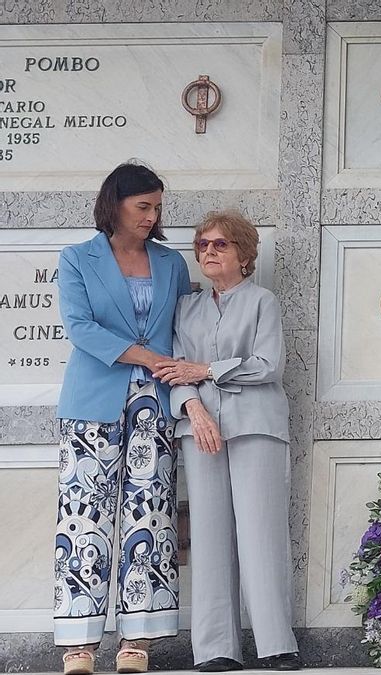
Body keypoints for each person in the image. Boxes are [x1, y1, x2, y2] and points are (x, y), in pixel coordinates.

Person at [55, 163, 191, 675]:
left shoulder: (171, 263)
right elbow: (79, 327)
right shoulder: (77, 259)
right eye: (143, 207)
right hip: (92, 400)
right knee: (83, 516)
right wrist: (144, 356)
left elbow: (185, 327)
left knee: (151, 516)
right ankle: (79, 644)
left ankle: (138, 638)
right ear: (114, 204)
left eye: (157, 207)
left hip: (156, 403)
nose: (152, 217)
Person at [152, 210, 300, 672]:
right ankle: (215, 648)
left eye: (220, 244)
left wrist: (208, 370)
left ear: (243, 253)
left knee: (261, 532)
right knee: (210, 535)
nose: (210, 252)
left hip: (256, 426)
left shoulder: (262, 302)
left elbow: (267, 364)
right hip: (200, 431)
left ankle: (276, 643)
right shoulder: (186, 307)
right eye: (203, 246)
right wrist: (194, 407)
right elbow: (175, 369)